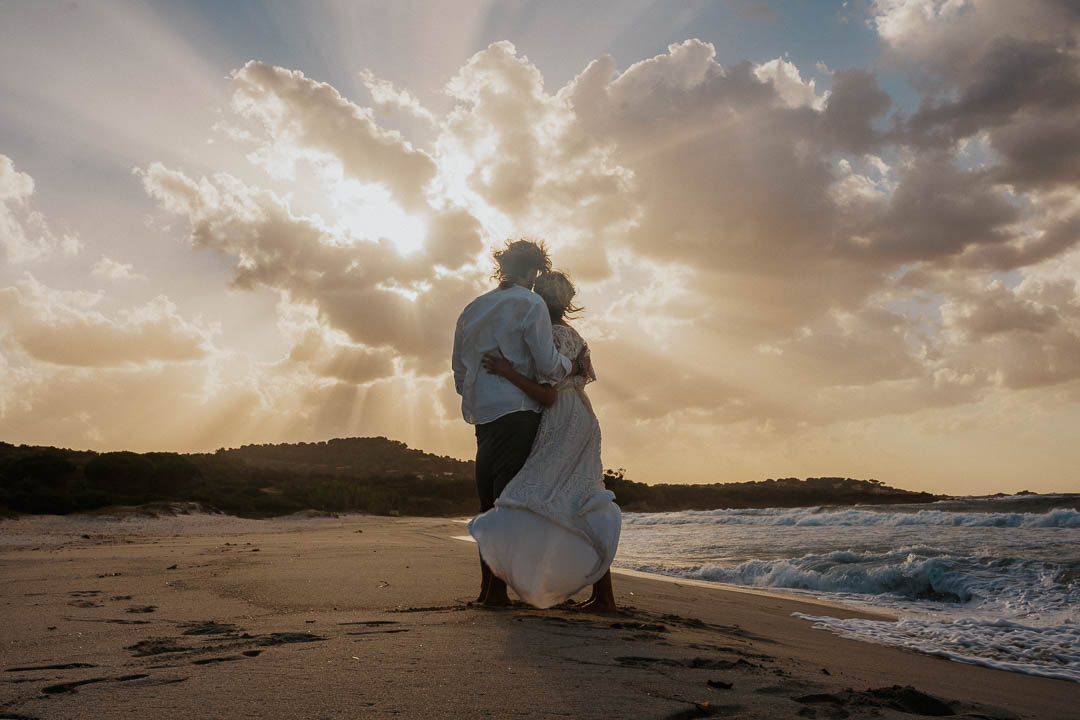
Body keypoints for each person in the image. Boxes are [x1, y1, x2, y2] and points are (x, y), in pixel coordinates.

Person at [468, 270, 620, 611]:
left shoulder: (544, 333)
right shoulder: (576, 336)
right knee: (583, 498)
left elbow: (546, 390)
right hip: (583, 415)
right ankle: (603, 595)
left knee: (531, 498)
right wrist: (575, 368)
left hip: (559, 418)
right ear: (567, 301)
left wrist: (507, 372)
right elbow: (583, 372)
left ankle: (503, 587)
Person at [451, 239, 590, 606]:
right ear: (534, 271)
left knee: (488, 501)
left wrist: (482, 393)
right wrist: (572, 367)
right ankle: (498, 591)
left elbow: (460, 373)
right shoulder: (530, 304)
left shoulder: (473, 307)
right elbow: (547, 364)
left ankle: (489, 589)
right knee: (511, 502)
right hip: (519, 411)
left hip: (483, 415)